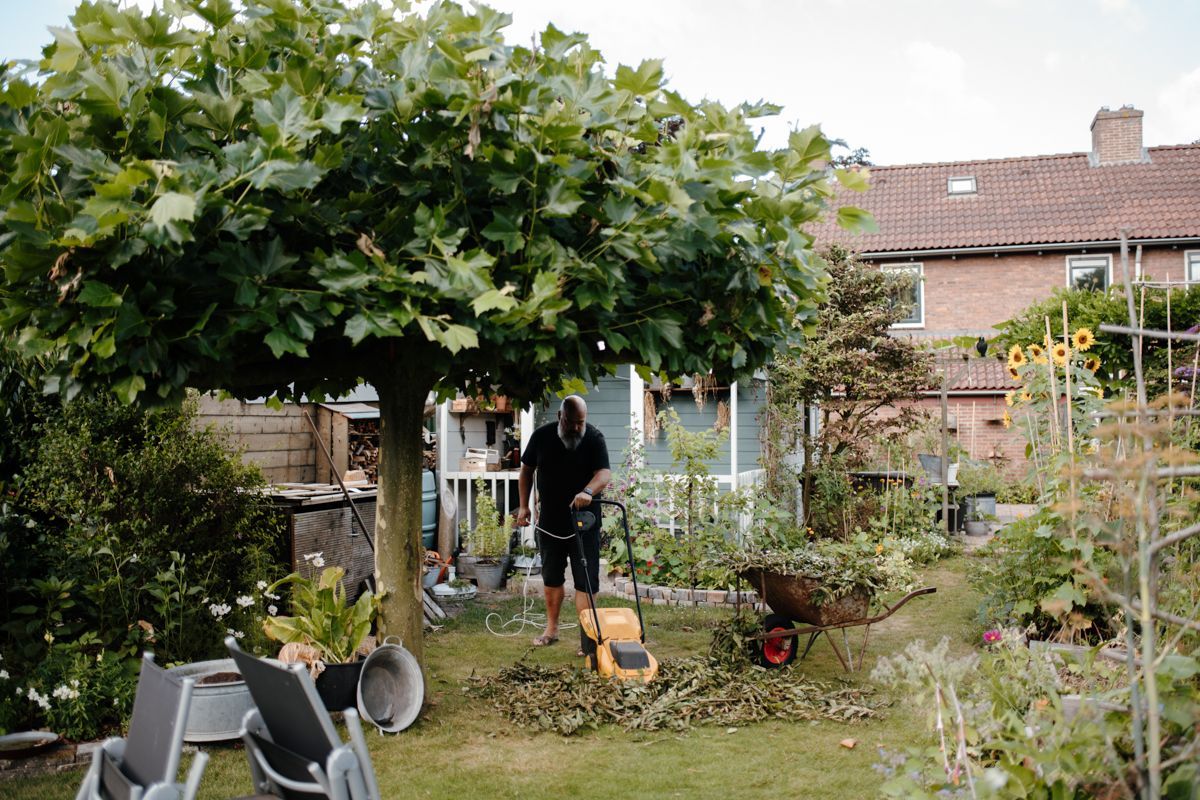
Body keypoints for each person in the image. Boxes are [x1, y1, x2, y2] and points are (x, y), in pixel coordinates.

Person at [515, 395, 611, 654]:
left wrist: (588, 492)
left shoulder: (594, 438)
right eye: (572, 423)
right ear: (561, 418)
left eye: (581, 422)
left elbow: (604, 473)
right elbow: (526, 470)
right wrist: (524, 505)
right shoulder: (542, 437)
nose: (577, 428)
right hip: (550, 522)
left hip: (584, 524)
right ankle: (551, 630)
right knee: (552, 577)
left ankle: (588, 640)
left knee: (586, 581)